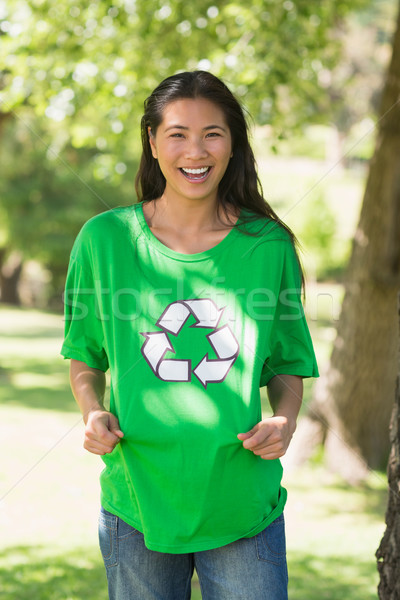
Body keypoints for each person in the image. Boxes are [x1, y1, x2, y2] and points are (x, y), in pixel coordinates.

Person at [61, 70, 319, 600]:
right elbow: (84, 354)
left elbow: (288, 359)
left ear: (233, 147)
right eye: (177, 133)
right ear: (152, 142)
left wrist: (285, 421)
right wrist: (91, 409)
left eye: (213, 134)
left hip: (242, 502)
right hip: (138, 502)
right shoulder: (104, 241)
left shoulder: (266, 245)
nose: (194, 150)